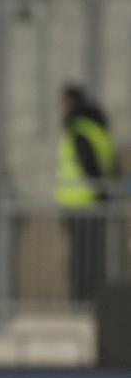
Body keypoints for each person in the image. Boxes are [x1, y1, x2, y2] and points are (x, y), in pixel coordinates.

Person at [55, 84, 116, 303]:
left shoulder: (78, 129)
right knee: (91, 255)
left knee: (84, 258)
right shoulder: (96, 127)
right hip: (86, 203)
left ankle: (83, 300)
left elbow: (89, 164)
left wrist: (101, 193)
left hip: (82, 203)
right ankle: (89, 299)